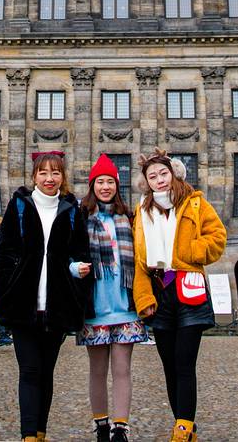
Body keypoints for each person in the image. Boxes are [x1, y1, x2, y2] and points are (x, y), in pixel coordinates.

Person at [0, 151, 91, 442]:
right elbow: (4, 254)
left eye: (55, 173)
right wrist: (4, 294)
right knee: (29, 370)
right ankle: (28, 436)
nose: (50, 178)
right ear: (34, 176)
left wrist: (77, 271)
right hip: (23, 304)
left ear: (63, 177)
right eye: (44, 173)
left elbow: (80, 252)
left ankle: (39, 433)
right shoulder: (19, 205)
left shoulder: (71, 210)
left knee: (46, 373)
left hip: (56, 305)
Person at [133, 148, 226, 442]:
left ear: (174, 174)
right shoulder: (142, 211)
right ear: (147, 182)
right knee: (169, 366)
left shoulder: (195, 202)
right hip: (160, 291)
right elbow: (139, 260)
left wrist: (190, 252)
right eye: (153, 176)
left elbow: (218, 237)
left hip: (188, 288)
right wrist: (143, 297)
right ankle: (184, 426)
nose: (159, 180)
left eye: (163, 173)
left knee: (184, 363)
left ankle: (182, 430)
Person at [77, 154, 148, 442]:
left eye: (110, 182)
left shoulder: (130, 218)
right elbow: (68, 253)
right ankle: (101, 426)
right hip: (95, 308)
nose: (105, 187)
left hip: (125, 306)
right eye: (100, 182)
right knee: (97, 371)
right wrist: (73, 268)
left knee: (122, 370)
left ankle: (120, 428)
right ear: (92, 185)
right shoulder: (80, 218)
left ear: (117, 185)